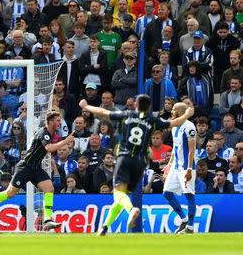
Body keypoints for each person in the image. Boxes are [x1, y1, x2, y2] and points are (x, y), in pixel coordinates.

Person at [79, 94, 193, 236]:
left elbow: (103, 112)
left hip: (124, 158)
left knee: (118, 194)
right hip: (140, 163)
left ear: (136, 106)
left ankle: (131, 210)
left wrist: (85, 106)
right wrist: (188, 113)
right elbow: (175, 123)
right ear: (149, 108)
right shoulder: (153, 120)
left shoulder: (127, 115)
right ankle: (104, 227)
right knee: (123, 196)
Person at [0, 111, 75, 231]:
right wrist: (66, 141)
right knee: (10, 193)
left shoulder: (50, 134)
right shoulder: (44, 133)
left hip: (36, 168)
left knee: (50, 189)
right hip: (25, 167)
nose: (60, 122)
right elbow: (49, 148)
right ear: (51, 122)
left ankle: (47, 220)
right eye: (58, 120)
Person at [162, 103, 197, 234]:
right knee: (167, 193)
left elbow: (192, 149)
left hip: (185, 168)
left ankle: (191, 227)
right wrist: (169, 164)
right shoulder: (175, 126)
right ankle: (183, 219)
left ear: (181, 112)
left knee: (189, 195)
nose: (171, 111)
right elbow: (176, 147)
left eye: (174, 109)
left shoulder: (189, 127)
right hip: (175, 167)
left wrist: (189, 169)